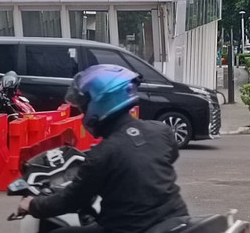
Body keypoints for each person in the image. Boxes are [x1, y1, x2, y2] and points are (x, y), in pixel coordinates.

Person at [17, 64, 190, 233]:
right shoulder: (161, 130)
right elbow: (165, 157)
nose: (84, 114)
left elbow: (71, 200)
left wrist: (32, 204)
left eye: (84, 108)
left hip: (131, 228)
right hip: (175, 219)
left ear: (100, 103)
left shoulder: (102, 155)